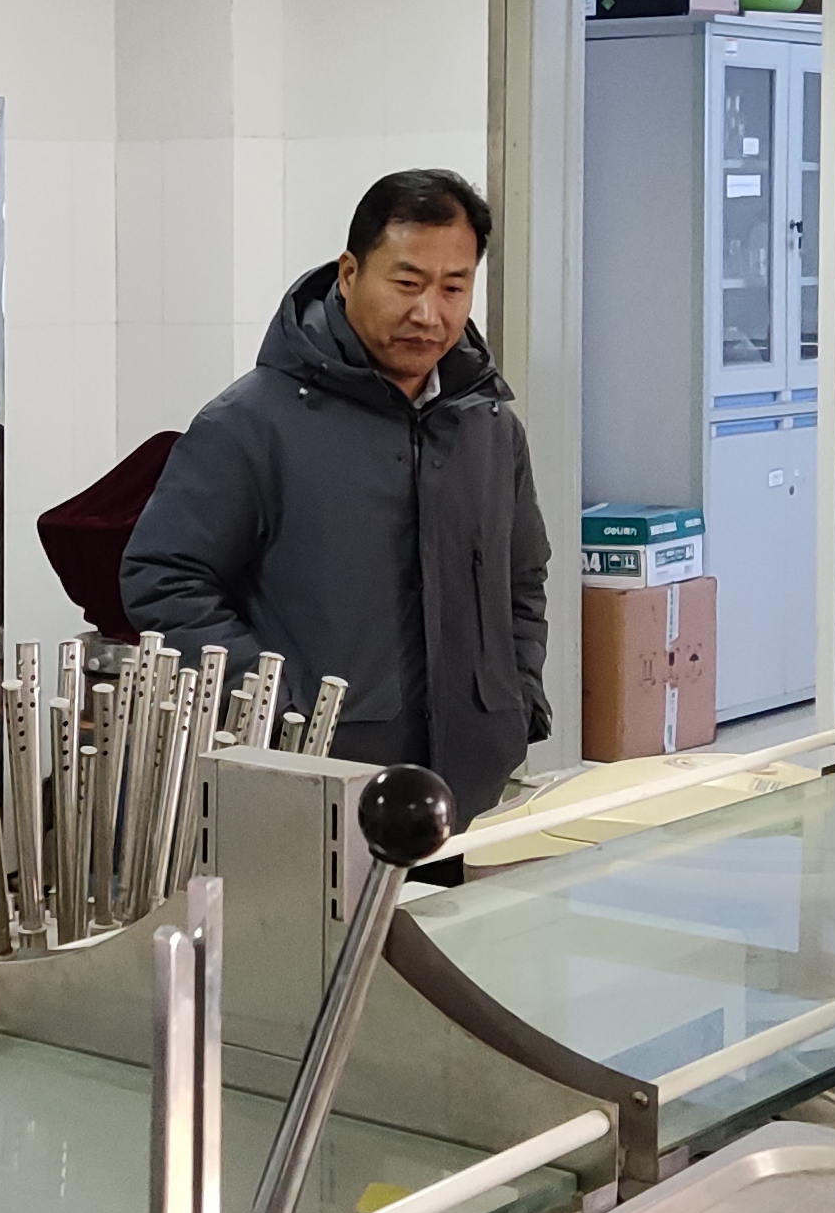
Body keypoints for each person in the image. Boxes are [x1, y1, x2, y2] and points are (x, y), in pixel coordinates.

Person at [122, 168, 551, 828]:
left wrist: (515, 699)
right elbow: (163, 579)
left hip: (471, 788)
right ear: (350, 274)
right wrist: (278, 711)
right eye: (406, 283)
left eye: (453, 287)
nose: (429, 313)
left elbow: (521, 579)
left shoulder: (490, 426)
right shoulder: (253, 423)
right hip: (318, 790)